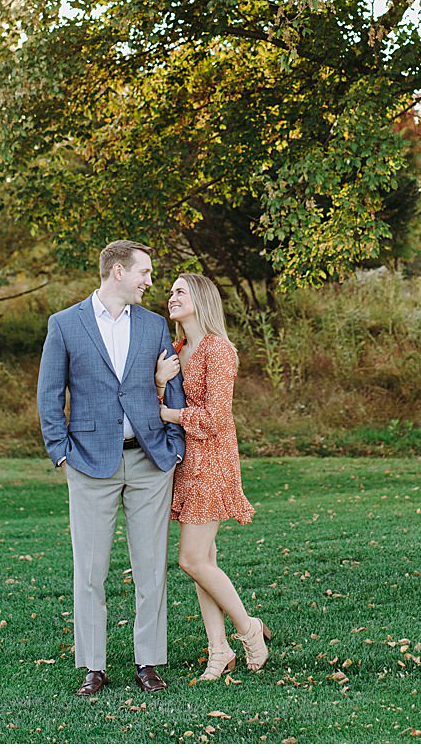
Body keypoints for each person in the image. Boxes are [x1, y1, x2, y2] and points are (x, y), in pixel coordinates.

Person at [36, 239, 186, 696]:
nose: (150, 281)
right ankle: (94, 667)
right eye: (144, 272)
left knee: (151, 568)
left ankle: (148, 663)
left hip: (150, 462)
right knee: (90, 571)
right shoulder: (64, 324)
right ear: (117, 271)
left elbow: (172, 386)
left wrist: (174, 446)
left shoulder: (154, 325)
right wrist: (61, 452)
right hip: (88, 463)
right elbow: (49, 394)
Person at [157, 272, 268, 679]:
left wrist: (171, 414)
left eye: (180, 291)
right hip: (186, 463)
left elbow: (217, 418)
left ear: (200, 299)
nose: (171, 297)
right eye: (170, 292)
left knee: (190, 559)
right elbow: (157, 401)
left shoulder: (219, 351)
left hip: (213, 463)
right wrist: (159, 381)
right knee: (204, 560)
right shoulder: (175, 350)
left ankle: (249, 629)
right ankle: (218, 651)